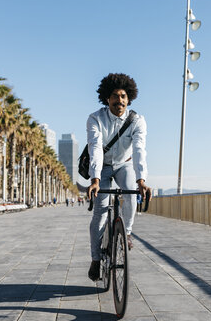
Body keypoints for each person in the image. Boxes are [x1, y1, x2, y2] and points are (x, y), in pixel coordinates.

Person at [86, 73, 151, 281]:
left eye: (123, 96)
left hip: (124, 164)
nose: (119, 100)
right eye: (115, 96)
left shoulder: (137, 121)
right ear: (107, 98)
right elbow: (95, 147)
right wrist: (95, 179)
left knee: (131, 195)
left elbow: (140, 149)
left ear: (129, 98)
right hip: (102, 167)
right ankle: (96, 259)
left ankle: (127, 233)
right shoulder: (95, 118)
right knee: (100, 213)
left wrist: (141, 180)